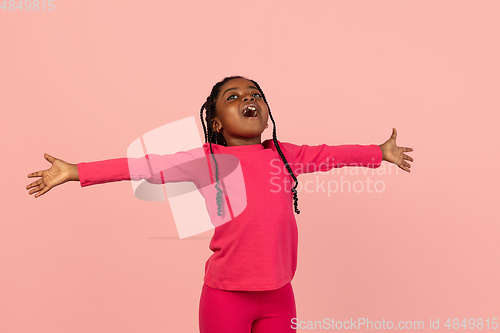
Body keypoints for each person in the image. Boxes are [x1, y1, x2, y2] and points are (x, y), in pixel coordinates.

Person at [26, 75, 414, 333]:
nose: (249, 99)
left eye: (255, 95)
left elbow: (330, 154)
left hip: (280, 294)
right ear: (214, 121)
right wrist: (77, 170)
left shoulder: (284, 153)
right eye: (235, 97)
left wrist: (378, 152)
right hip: (225, 297)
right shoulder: (206, 161)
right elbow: (144, 166)